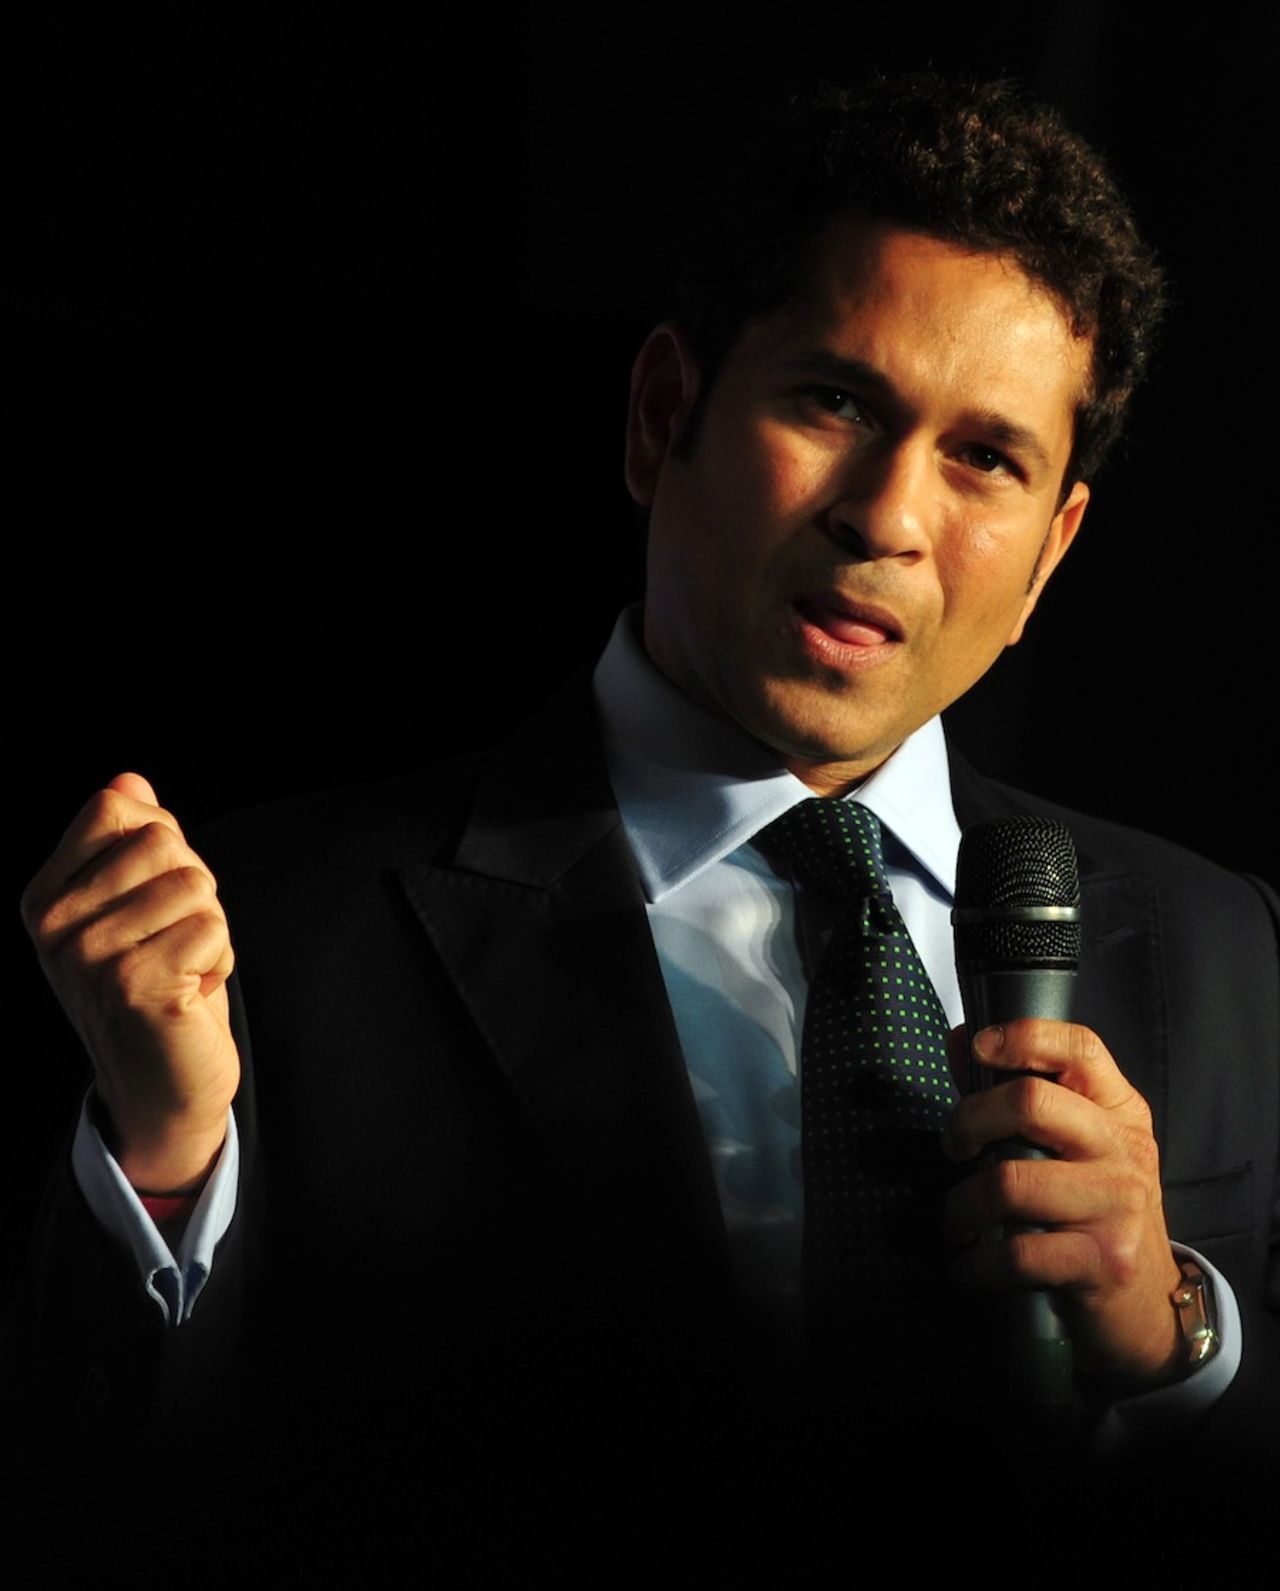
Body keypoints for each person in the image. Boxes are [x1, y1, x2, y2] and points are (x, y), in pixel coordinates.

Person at [12, 75, 1278, 1577]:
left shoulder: (1227, 951)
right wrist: (165, 1163)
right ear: (665, 413)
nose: (888, 515)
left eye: (984, 458)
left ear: (1054, 547)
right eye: (836, 403)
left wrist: (1178, 1340)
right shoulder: (266, 935)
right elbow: (90, 1507)